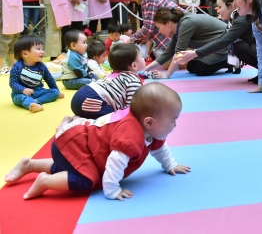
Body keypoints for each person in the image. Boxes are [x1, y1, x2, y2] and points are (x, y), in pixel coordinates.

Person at [4, 82, 191, 200]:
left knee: (73, 167)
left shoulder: (151, 131)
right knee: (86, 179)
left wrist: (170, 165)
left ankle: (30, 165)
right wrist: (112, 190)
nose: (175, 125)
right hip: (73, 142)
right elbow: (115, 163)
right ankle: (45, 181)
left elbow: (159, 149)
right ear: (149, 122)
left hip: (78, 144)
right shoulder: (130, 135)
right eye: (173, 120)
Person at [178, 0, 262, 83]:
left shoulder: (241, 19)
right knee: (237, 48)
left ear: (231, 6)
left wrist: (195, 53)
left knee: (239, 47)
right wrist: (196, 53)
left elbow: (224, 40)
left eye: (219, 7)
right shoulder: (233, 18)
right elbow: (222, 38)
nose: (217, 10)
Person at [146, 7, 232, 79]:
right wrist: (146, 68)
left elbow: (178, 53)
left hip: (223, 45)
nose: (159, 31)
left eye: (158, 27)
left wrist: (166, 75)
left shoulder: (186, 23)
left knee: (200, 69)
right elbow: (169, 52)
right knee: (191, 67)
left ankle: (230, 61)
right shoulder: (178, 26)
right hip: (212, 46)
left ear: (168, 23)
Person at [71, 44, 145, 118]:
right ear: (134, 65)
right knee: (115, 118)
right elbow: (131, 107)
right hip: (92, 100)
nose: (143, 58)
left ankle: (76, 118)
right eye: (142, 57)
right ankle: (77, 122)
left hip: (82, 93)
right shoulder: (133, 81)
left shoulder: (113, 74)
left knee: (90, 112)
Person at [125, 0, 179, 65]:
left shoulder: (150, 0)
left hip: (179, 36)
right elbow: (151, 27)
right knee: (168, 64)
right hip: (177, 36)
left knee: (171, 64)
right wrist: (141, 37)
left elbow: (148, 28)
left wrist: (132, 39)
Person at [10, 36, 63, 113]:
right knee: (21, 98)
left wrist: (57, 91)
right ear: (25, 53)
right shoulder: (17, 66)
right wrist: (23, 90)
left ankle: (35, 102)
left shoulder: (41, 66)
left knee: (54, 92)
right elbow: (13, 83)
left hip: (38, 91)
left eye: (42, 49)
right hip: (20, 93)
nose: (42, 51)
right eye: (38, 49)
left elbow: (49, 79)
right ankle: (31, 104)